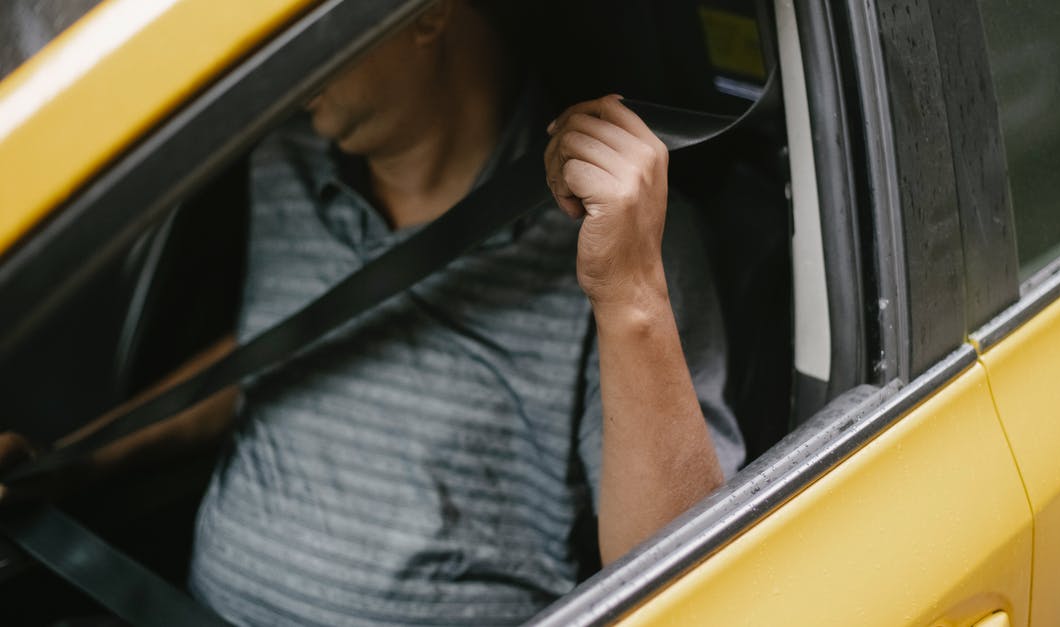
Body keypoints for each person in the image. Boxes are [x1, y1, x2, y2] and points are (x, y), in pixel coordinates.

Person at [0, 1, 744, 624]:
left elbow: (681, 585)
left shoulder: (623, 234)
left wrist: (630, 296)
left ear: (427, 15)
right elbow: (272, 350)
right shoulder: (284, 157)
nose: (274, 62)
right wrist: (78, 460)